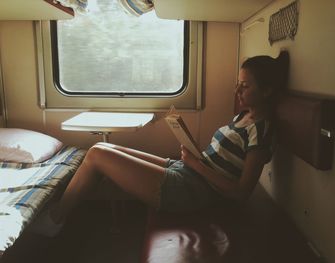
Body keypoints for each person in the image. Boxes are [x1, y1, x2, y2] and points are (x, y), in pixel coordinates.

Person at [32, 50, 289, 237]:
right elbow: (223, 162)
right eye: (237, 85)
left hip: (195, 191)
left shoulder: (261, 131)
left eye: (244, 86)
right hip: (189, 172)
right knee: (104, 149)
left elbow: (241, 192)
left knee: (98, 153)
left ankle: (55, 219)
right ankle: (59, 215)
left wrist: (195, 164)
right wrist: (192, 155)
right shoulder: (243, 116)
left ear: (266, 91)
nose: (238, 92)